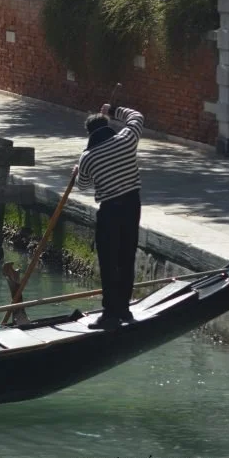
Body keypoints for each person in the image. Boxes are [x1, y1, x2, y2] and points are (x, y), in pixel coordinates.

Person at [73, 103, 145, 329]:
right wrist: (113, 109)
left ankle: (110, 313)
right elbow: (137, 116)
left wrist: (77, 171)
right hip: (133, 205)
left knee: (108, 261)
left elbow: (82, 186)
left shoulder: (88, 157)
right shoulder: (126, 138)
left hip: (110, 210)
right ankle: (123, 309)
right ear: (107, 125)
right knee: (126, 256)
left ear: (89, 133)